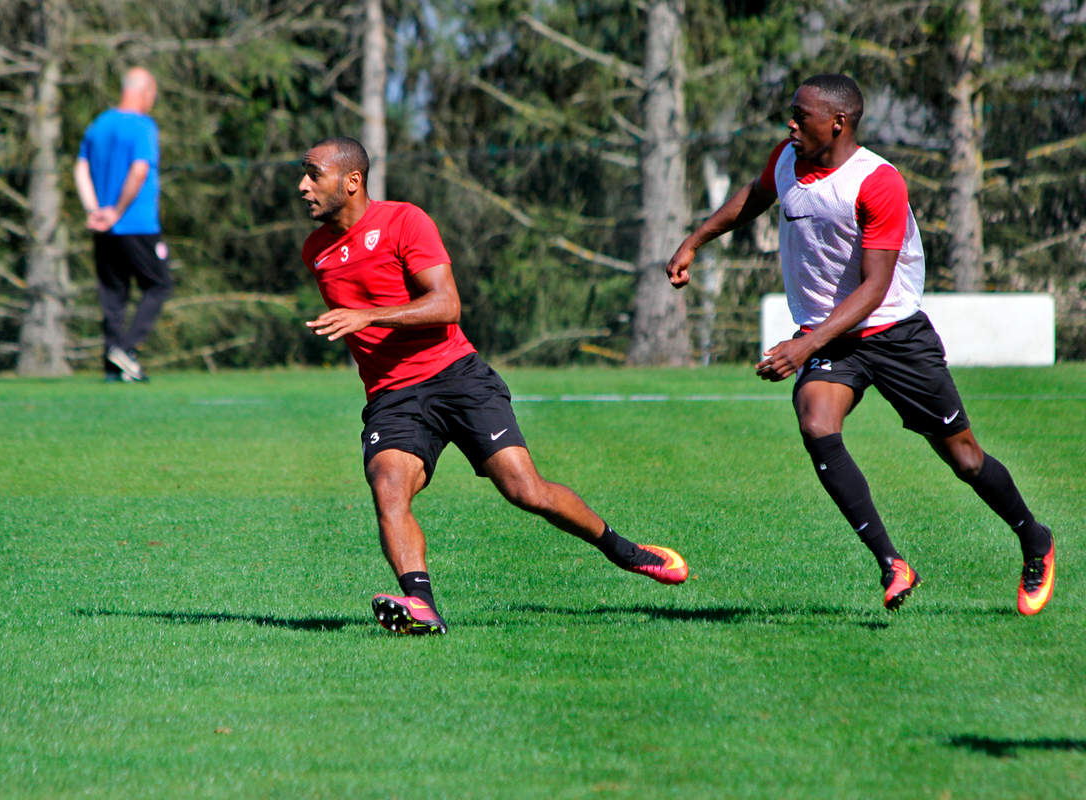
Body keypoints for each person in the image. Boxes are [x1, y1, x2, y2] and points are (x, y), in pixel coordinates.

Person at [665, 74, 1054, 614]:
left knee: (964, 459)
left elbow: (874, 289)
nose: (791, 124)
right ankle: (892, 563)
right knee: (816, 423)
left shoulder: (877, 182)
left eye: (802, 116)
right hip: (832, 337)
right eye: (792, 114)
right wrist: (694, 241)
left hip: (893, 333)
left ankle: (1035, 538)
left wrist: (802, 348)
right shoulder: (787, 158)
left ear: (839, 123)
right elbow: (754, 197)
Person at [299, 136, 688, 635]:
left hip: (456, 377)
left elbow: (446, 306)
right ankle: (421, 606)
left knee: (525, 490)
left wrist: (367, 317)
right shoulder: (316, 251)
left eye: (314, 174)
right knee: (389, 488)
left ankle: (625, 550)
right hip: (393, 397)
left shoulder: (404, 222)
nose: (303, 186)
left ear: (352, 181)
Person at [74, 66, 173, 383]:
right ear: (144, 91)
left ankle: (112, 369)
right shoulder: (142, 126)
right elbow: (140, 170)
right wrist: (116, 211)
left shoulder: (99, 124)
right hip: (136, 223)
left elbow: (80, 168)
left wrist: (94, 210)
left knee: (113, 294)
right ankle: (125, 350)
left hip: (103, 227)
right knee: (158, 285)